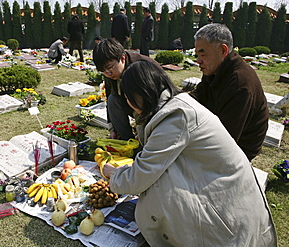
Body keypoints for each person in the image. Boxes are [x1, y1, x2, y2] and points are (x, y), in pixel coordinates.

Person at [103, 60, 277, 246]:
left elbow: (140, 177)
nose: (128, 103)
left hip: (229, 222)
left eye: (129, 97)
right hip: (225, 201)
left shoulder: (175, 118)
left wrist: (114, 175)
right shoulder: (172, 107)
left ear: (141, 94)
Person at [190, 23, 269, 161]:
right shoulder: (215, 68)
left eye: (203, 54)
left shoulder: (240, 83)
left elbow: (225, 139)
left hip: (239, 149)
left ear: (223, 51)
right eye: (197, 55)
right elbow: (199, 95)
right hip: (219, 128)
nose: (198, 61)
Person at [93, 38, 161, 140]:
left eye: (110, 67)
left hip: (155, 108)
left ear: (122, 58)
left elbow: (152, 103)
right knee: (113, 100)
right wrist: (113, 129)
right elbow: (108, 97)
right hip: (134, 105)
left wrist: (142, 128)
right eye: (103, 71)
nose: (108, 74)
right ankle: (126, 140)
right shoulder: (110, 73)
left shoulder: (141, 68)